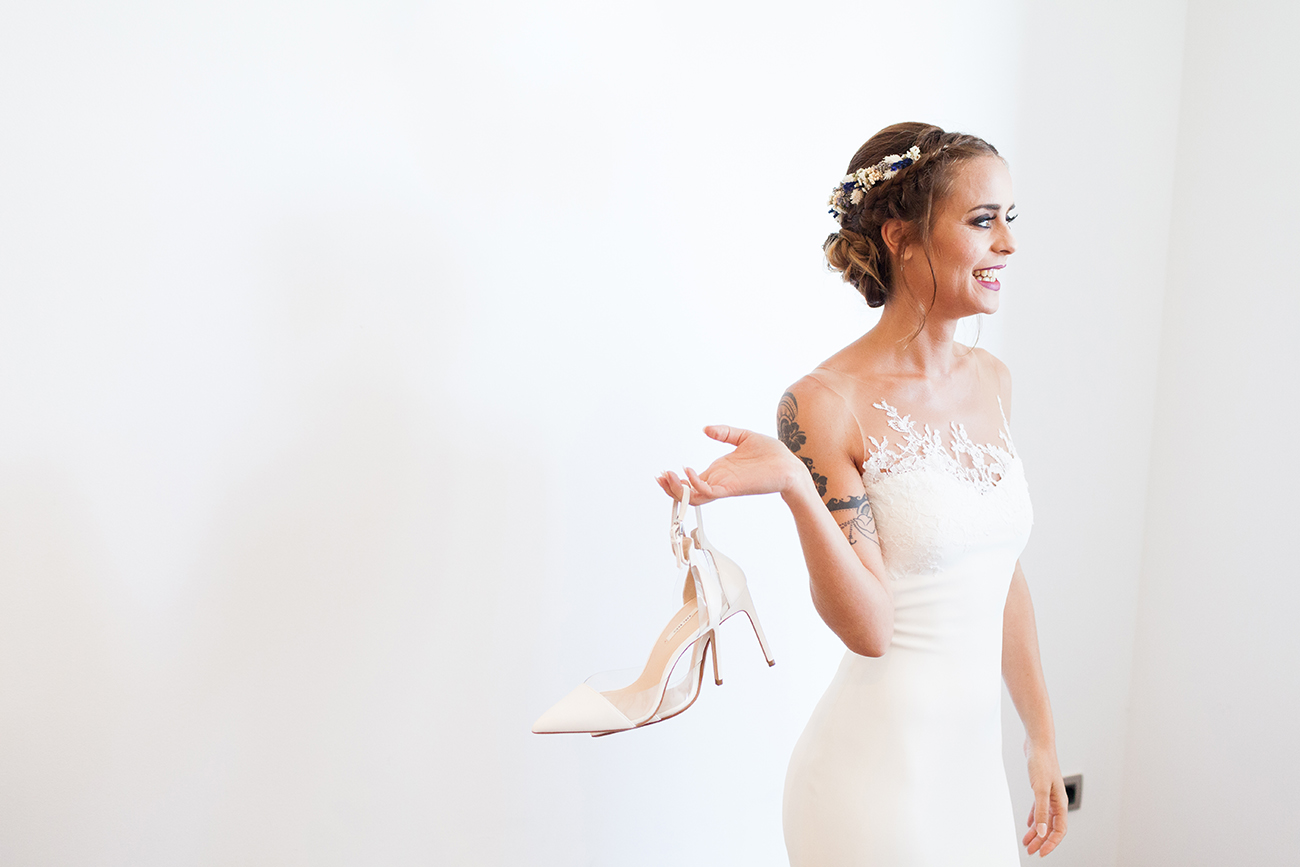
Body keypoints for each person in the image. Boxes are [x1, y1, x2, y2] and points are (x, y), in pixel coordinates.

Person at [656, 122, 1067, 864]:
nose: (1008, 243)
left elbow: (1001, 574)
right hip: (875, 783)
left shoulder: (994, 382)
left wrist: (1041, 738)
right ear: (901, 237)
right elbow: (870, 630)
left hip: (972, 777)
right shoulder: (823, 403)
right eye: (983, 220)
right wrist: (795, 486)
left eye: (1010, 218)